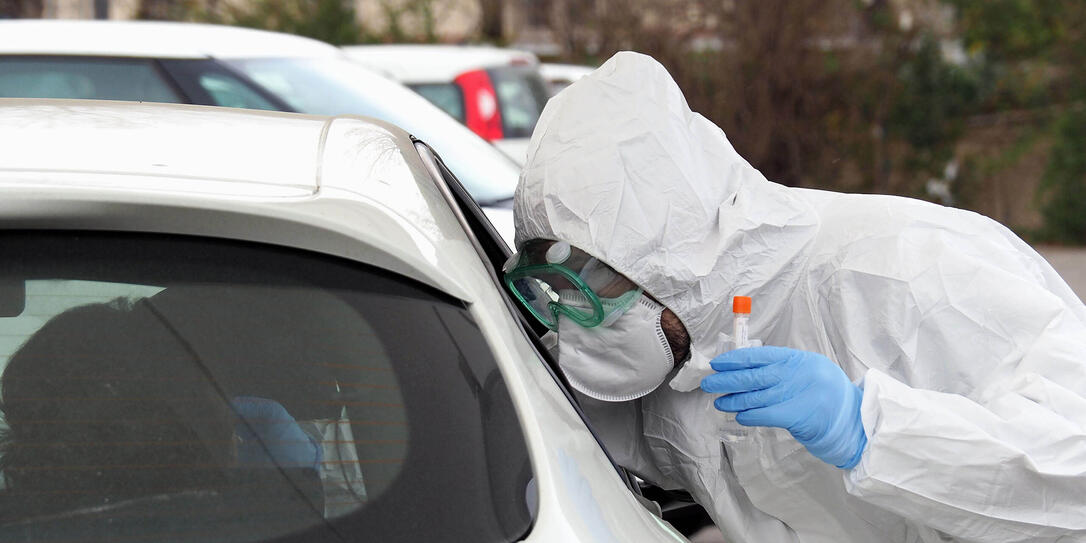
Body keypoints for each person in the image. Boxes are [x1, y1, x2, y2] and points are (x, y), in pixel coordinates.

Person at [506, 51, 1086, 542]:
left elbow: (1072, 469)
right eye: (555, 288)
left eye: (596, 283)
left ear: (673, 254)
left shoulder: (908, 269)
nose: (579, 321)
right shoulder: (677, 354)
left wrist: (872, 429)